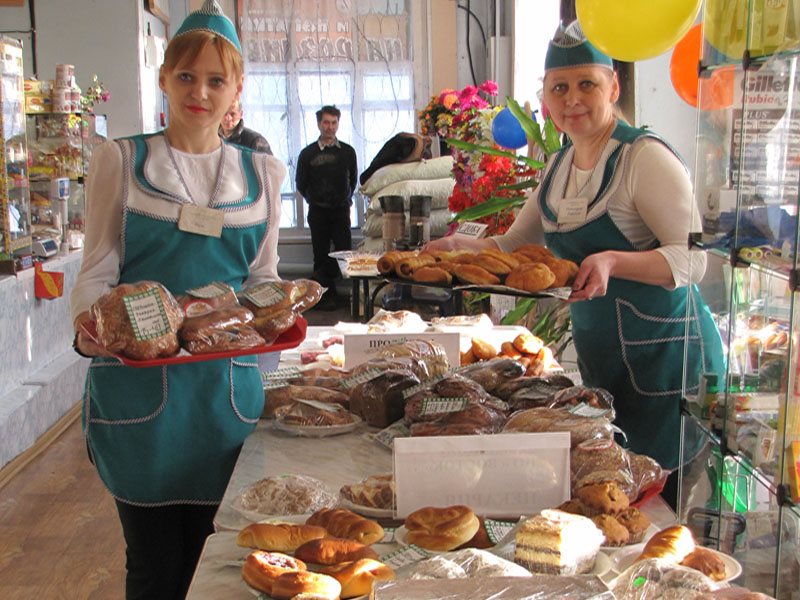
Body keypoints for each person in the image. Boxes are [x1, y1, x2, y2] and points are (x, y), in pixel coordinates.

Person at [426, 22, 724, 504]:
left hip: (667, 365)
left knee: (661, 510)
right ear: (545, 96)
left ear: (614, 86)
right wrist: (459, 246)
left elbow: (693, 260)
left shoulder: (642, 158)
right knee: (609, 493)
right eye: (559, 88)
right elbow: (512, 247)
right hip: (607, 364)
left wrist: (611, 261)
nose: (572, 99)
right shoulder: (559, 166)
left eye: (587, 84)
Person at [69, 2, 285, 598]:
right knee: (156, 567)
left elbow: (262, 274)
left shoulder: (262, 171)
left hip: (227, 397)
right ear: (163, 78)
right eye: (186, 76)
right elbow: (95, 273)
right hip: (141, 397)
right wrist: (94, 325)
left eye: (217, 79)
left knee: (228, 565)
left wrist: (276, 313)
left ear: (237, 87)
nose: (200, 91)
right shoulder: (122, 159)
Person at [295, 105, 358, 310]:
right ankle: (323, 297)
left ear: (338, 124)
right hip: (318, 211)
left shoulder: (348, 152)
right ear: (319, 124)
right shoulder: (307, 154)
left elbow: (353, 180)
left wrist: (344, 198)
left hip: (341, 211)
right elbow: (300, 183)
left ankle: (326, 285)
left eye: (333, 122)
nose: (330, 127)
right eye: (326, 122)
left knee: (343, 253)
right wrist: (315, 199)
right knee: (320, 254)